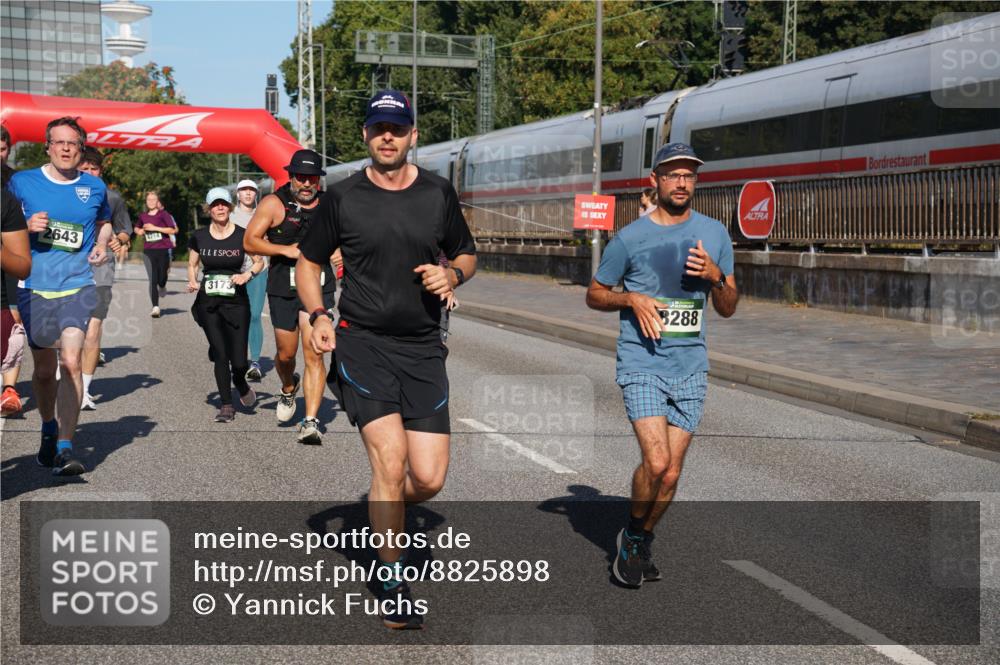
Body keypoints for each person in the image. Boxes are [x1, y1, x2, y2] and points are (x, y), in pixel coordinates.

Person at [301, 90, 476, 629]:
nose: (387, 137)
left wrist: (454, 274)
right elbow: (309, 264)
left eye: (397, 129)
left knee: (428, 479)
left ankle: (383, 509)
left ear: (412, 135)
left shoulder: (438, 194)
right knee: (391, 459)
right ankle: (391, 577)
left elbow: (467, 252)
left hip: (423, 347)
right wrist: (318, 314)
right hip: (362, 340)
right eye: (378, 128)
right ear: (365, 136)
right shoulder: (343, 197)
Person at [585, 142, 738, 588]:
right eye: (672, 174)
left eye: (689, 175)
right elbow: (595, 293)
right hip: (641, 360)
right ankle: (633, 536)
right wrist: (630, 297)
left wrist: (716, 277)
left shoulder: (714, 235)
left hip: (690, 363)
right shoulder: (630, 238)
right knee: (655, 462)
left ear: (696, 181)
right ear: (655, 180)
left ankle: (639, 537)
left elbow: (728, 306)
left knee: (672, 470)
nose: (681, 181)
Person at [7, 116, 113, 476]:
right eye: (60, 142)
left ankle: (66, 447)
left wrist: (100, 245)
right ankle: (48, 428)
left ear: (81, 149)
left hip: (78, 285)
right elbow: (5, 223)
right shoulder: (22, 182)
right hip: (36, 288)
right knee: (42, 370)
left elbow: (103, 221)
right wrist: (25, 225)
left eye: (74, 143)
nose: (67, 148)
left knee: (70, 361)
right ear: (47, 146)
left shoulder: (93, 187)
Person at [244, 149, 337, 444]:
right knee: (286, 354)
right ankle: (288, 386)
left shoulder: (331, 205)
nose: (307, 184)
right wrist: (286, 250)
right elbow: (250, 241)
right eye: (301, 178)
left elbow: (348, 239)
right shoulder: (274, 204)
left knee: (315, 353)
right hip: (283, 284)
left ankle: (310, 421)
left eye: (312, 178)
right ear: (291, 177)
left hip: (319, 287)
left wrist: (340, 253)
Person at [188, 187, 264, 422]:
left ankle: (240, 383)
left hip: (237, 303)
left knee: (239, 362)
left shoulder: (243, 234)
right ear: (208, 209)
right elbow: (193, 264)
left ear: (230, 207)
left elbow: (259, 262)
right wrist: (192, 280)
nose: (220, 208)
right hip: (209, 302)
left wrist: (247, 275)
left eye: (223, 204)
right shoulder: (199, 236)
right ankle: (226, 405)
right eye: (215, 204)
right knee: (221, 355)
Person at [76, 147, 132, 410]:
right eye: (84, 168)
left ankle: (84, 390)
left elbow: (125, 231)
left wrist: (118, 240)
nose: (88, 173)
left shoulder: (113, 198)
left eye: (93, 169)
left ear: (101, 171)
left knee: (93, 329)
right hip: (66, 271)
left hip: (101, 270)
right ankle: (64, 376)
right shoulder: (63, 195)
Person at [1, 129, 31, 418]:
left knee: (13, 327)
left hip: (12, 258)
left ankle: (9, 390)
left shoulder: (16, 183)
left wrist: (29, 225)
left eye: (2, 148)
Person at [230, 179, 267, 382]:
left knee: (254, 315)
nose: (248, 193)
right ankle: (237, 358)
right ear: (237, 194)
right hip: (233, 271)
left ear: (256, 194)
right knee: (233, 316)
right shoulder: (229, 215)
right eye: (244, 190)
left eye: (251, 190)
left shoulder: (264, 214)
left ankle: (255, 362)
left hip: (258, 270)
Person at [135, 190, 176, 318]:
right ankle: (155, 307)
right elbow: (136, 227)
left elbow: (172, 230)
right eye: (149, 200)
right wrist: (140, 231)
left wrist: (155, 228)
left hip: (163, 249)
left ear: (157, 201)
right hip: (149, 251)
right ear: (146, 202)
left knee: (162, 277)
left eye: (153, 200)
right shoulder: (143, 216)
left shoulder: (163, 214)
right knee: (152, 279)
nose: (151, 202)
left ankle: (162, 286)